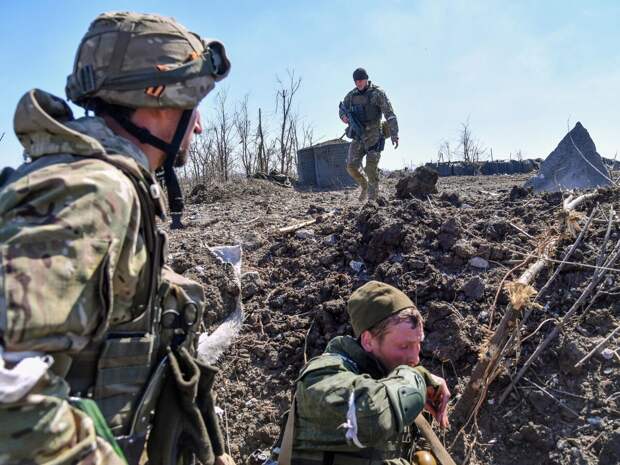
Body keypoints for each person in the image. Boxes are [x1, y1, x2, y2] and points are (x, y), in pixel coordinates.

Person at [0, 12, 233, 465]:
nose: (198, 126)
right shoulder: (94, 191)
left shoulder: (99, 181)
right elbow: (10, 390)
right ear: (163, 99)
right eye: (194, 103)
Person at [278, 281, 450, 465]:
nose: (415, 359)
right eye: (404, 346)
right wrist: (416, 380)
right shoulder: (323, 373)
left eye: (418, 344)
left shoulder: (387, 381)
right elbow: (370, 416)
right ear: (368, 340)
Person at [339, 68, 399, 201]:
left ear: (366, 79)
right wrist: (343, 117)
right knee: (351, 166)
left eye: (361, 80)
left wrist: (394, 134)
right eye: (356, 81)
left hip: (374, 135)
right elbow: (342, 110)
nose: (359, 83)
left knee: (370, 169)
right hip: (358, 136)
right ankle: (364, 186)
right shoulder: (351, 96)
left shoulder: (377, 93)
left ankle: (372, 203)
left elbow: (389, 114)